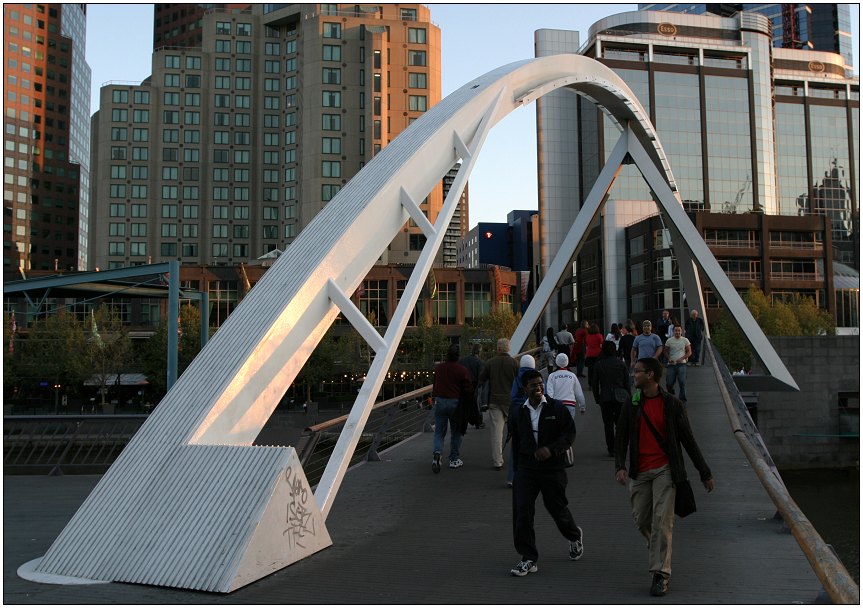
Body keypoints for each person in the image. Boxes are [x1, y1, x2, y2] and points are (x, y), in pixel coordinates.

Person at [614, 357, 715, 597]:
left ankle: (661, 574)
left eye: (637, 371)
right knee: (641, 518)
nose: (633, 375)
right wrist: (620, 466)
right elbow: (622, 436)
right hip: (640, 470)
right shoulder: (633, 402)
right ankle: (660, 549)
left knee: (662, 521)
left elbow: (688, 440)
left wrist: (704, 472)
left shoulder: (672, 404)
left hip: (666, 469)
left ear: (650, 375)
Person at [509, 369, 584, 577]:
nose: (539, 388)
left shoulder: (556, 408)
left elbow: (570, 434)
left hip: (552, 469)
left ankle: (574, 535)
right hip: (526, 469)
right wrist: (515, 470)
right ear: (525, 389)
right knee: (522, 511)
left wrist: (551, 449)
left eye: (540, 384)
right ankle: (528, 557)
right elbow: (516, 440)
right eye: (533, 385)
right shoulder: (518, 411)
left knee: (557, 509)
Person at [478, 338, 519, 471]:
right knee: (517, 431)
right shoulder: (514, 363)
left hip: (495, 401)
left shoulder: (490, 363)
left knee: (497, 433)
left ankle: (498, 461)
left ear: (498, 349)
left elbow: (481, 379)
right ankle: (517, 457)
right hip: (511, 401)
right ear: (508, 348)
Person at [431, 343, 473, 472]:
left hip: (441, 401)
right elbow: (468, 389)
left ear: (446, 355)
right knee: (456, 432)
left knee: (439, 432)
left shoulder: (439, 368)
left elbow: (435, 385)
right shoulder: (462, 370)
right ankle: (454, 459)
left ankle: (437, 453)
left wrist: (435, 396)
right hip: (455, 404)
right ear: (458, 356)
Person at [591, 340, 630, 456]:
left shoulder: (599, 364)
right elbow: (627, 382)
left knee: (608, 424)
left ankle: (611, 449)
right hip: (621, 396)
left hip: (605, 397)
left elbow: (594, 384)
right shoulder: (621, 364)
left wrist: (597, 397)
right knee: (620, 424)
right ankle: (620, 447)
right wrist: (629, 396)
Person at [506, 354, 537, 487]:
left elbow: (512, 396)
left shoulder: (517, 377)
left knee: (516, 444)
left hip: (517, 412)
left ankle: (511, 477)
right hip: (532, 411)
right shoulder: (536, 378)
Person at [545, 353, 586, 423]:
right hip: (570, 405)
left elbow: (549, 393)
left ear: (556, 362)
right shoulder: (572, 375)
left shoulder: (552, 376)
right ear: (567, 362)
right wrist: (582, 407)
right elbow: (579, 393)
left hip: (556, 405)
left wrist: (549, 407)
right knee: (569, 428)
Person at [459, 343, 485, 429]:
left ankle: (464, 425)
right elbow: (480, 377)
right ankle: (478, 422)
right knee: (475, 404)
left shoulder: (463, 361)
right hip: (474, 385)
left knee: (464, 406)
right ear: (479, 351)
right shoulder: (479, 362)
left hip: (464, 385)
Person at [663, 325, 691, 402]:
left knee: (682, 381)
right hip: (671, 364)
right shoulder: (669, 340)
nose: (677, 332)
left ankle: (682, 400)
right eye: (676, 330)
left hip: (682, 364)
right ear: (673, 331)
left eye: (679, 330)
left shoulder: (685, 340)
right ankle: (671, 395)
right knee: (669, 383)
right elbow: (665, 351)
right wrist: (669, 358)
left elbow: (689, 352)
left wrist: (682, 358)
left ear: (681, 331)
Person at [584, 323, 604, 393]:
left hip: (589, 354)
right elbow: (601, 345)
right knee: (598, 369)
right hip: (597, 354)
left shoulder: (588, 336)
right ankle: (598, 383)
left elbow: (587, 345)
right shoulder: (599, 336)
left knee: (590, 370)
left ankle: (590, 385)